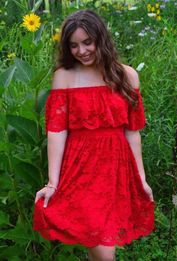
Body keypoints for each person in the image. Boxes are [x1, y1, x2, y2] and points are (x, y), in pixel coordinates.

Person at [33, 9, 155, 261]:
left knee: (102, 243)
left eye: (87, 42)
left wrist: (140, 178)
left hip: (116, 169)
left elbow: (132, 132)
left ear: (101, 38)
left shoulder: (127, 76)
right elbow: (57, 130)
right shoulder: (64, 77)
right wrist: (52, 182)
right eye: (74, 45)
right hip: (80, 168)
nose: (82, 51)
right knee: (102, 250)